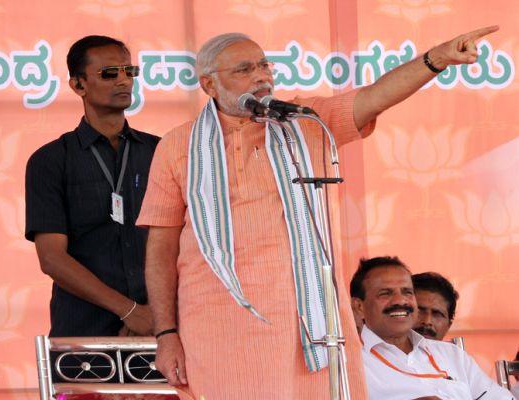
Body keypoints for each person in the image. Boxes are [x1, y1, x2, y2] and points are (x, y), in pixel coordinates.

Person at [137, 27, 499, 400]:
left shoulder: (306, 123)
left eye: (264, 65)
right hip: (219, 326)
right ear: (209, 84)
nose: (261, 76)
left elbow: (374, 98)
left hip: (307, 324)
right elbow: (161, 248)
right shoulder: (177, 146)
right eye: (244, 69)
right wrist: (166, 334)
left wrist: (435, 59)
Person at [25, 35, 159, 337]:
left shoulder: (160, 153)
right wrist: (129, 310)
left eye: (130, 71)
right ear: (78, 85)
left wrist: (155, 314)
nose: (123, 80)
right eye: (109, 73)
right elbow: (51, 258)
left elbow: (182, 245)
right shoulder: (49, 160)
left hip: (158, 329)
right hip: (83, 333)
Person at [350, 256, 514, 400]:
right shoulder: (349, 364)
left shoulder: (453, 355)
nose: (400, 301)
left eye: (407, 292)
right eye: (385, 293)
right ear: (359, 307)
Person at [413, 272, 459, 340]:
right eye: (419, 311)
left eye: (437, 314)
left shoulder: (455, 351)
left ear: (448, 326)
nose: (427, 321)